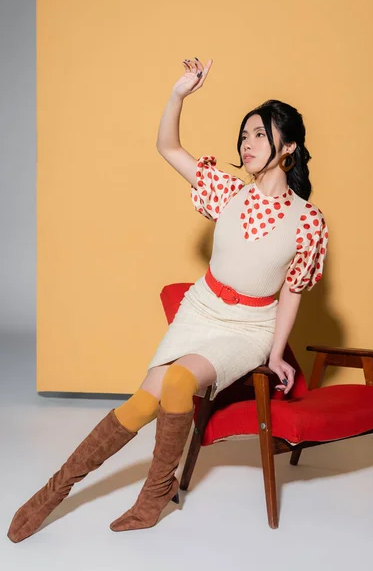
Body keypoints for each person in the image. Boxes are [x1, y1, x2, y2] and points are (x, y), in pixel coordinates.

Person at [8, 57, 328, 542]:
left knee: (179, 382)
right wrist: (179, 93)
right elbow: (167, 146)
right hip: (201, 309)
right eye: (244, 134)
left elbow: (292, 290)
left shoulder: (307, 220)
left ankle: (155, 495)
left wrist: (277, 352)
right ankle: (53, 492)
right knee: (140, 404)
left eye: (260, 134)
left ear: (289, 147)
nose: (247, 141)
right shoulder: (226, 191)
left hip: (248, 328)